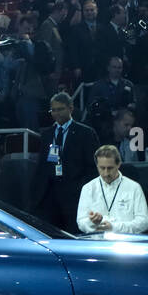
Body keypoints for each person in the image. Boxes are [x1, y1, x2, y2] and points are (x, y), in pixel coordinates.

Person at [35, 92, 98, 233]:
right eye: (53, 110)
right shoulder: (47, 134)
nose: (56, 113)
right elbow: (43, 166)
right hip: (51, 195)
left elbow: (93, 167)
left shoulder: (85, 133)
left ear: (71, 108)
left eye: (60, 109)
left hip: (76, 195)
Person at [75, 146, 148, 235]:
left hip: (127, 243)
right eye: (102, 168)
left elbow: (144, 222)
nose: (106, 173)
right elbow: (81, 222)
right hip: (97, 244)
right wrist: (92, 223)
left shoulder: (134, 187)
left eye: (110, 168)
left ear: (118, 164)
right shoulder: (88, 188)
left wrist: (114, 227)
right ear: (97, 166)